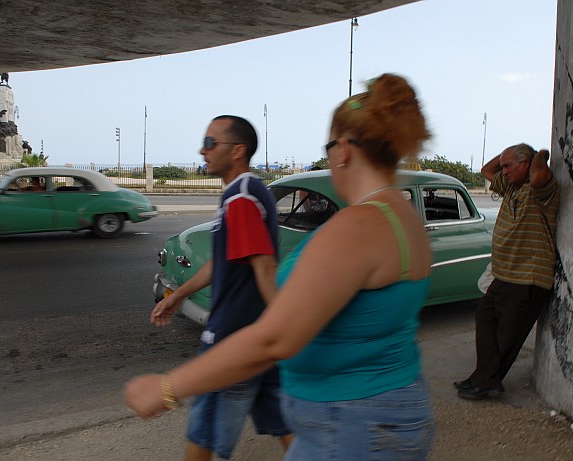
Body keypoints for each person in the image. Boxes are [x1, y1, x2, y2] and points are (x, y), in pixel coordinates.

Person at [125, 74, 436, 460]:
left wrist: (167, 387)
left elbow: (277, 337)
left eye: (328, 148)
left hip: (350, 428)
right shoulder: (402, 216)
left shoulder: (355, 228)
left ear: (342, 150)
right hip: (379, 412)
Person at [148, 115, 292, 460]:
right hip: (256, 341)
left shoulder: (241, 197)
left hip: (232, 342)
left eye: (211, 143)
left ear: (238, 150)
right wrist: (178, 295)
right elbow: (223, 261)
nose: (203, 150)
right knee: (286, 428)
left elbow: (265, 269)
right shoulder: (240, 195)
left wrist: (289, 335)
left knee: (203, 438)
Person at [455, 143, 560, 400]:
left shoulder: (541, 189)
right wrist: (506, 156)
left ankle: (486, 381)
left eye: (508, 166)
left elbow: (537, 174)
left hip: (528, 275)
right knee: (485, 319)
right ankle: (483, 378)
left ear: (526, 164)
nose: (503, 171)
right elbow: (485, 169)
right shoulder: (511, 187)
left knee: (506, 335)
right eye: (503, 167)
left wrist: (540, 155)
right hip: (506, 274)